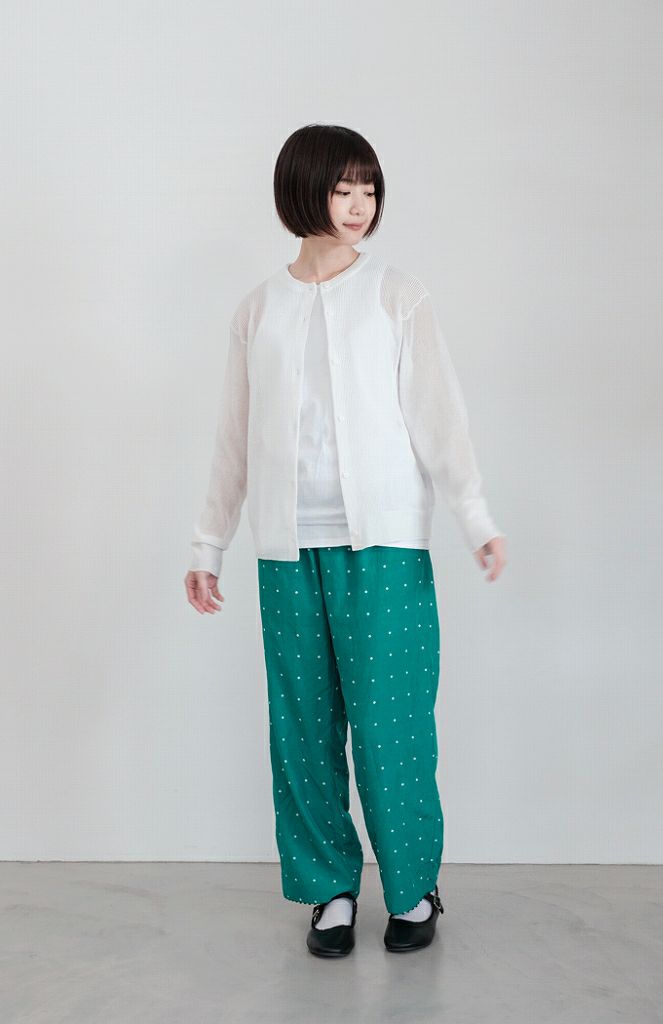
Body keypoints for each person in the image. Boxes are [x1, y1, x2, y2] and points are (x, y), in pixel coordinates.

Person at [184, 123, 507, 957]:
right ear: (303, 191)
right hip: (286, 548)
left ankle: (413, 888)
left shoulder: (398, 296)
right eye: (342, 188)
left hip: (385, 544)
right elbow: (232, 437)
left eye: (368, 188)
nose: (359, 204)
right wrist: (208, 543)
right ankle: (329, 889)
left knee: (392, 726)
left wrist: (474, 517)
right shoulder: (258, 309)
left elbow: (439, 417)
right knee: (303, 727)